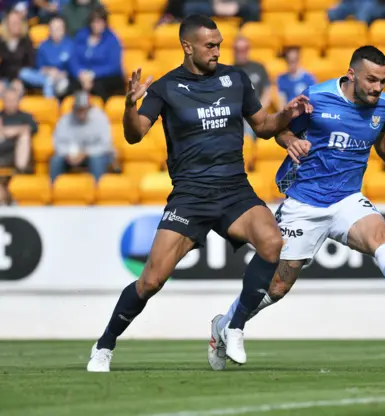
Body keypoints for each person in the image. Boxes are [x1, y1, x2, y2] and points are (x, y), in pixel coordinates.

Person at [86, 14, 311, 373]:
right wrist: (130, 106)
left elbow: (265, 127)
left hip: (234, 189)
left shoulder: (236, 78)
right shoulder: (165, 87)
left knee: (272, 241)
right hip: (190, 196)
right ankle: (104, 345)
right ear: (187, 47)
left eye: (219, 44)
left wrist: (287, 113)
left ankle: (232, 326)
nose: (217, 51)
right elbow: (134, 135)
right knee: (151, 280)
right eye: (210, 45)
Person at [209, 46, 385, 369]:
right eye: (371, 80)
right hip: (304, 203)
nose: (377, 88)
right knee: (279, 286)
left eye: (383, 81)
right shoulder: (318, 97)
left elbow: (380, 130)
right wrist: (290, 141)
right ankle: (224, 325)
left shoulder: (383, 105)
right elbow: (279, 128)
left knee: (379, 234)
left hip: (347, 199)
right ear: (351, 74)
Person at [49, 91, 113, 182]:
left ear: (89, 108)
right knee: (56, 160)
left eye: (84, 109)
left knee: (96, 160)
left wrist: (85, 153)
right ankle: (54, 189)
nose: (81, 112)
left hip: (95, 154)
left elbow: (106, 144)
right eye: (79, 109)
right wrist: (68, 154)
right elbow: (57, 143)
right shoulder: (65, 120)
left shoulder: (100, 118)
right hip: (70, 156)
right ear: (73, 108)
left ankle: (97, 190)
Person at [68, 5, 124, 102]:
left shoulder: (112, 39)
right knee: (70, 86)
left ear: (105, 23)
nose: (96, 25)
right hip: (82, 76)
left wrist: (93, 74)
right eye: (94, 21)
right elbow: (73, 58)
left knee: (98, 86)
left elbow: (113, 66)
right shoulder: (81, 36)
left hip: (105, 77)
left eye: (99, 22)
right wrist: (80, 73)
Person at [19, 15, 73, 98]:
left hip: (63, 77)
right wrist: (49, 71)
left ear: (63, 30)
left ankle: (51, 106)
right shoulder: (43, 45)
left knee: (60, 84)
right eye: (52, 28)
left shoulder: (70, 45)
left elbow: (73, 67)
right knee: (23, 73)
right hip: (45, 76)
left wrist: (61, 74)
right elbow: (39, 67)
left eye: (58, 28)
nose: (55, 31)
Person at [0, 87, 36, 204]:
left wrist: (6, 131)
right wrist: (17, 130)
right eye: (8, 100)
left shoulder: (25, 116)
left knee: (24, 136)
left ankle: (20, 169)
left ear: (18, 101)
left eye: (13, 100)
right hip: (2, 151)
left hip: (17, 154)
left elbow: (31, 129)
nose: (10, 103)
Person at [276, 47, 316, 112]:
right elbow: (281, 100)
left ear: (299, 60)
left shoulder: (309, 78)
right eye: (289, 60)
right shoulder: (281, 78)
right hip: (289, 114)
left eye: (294, 60)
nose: (291, 63)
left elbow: (313, 99)